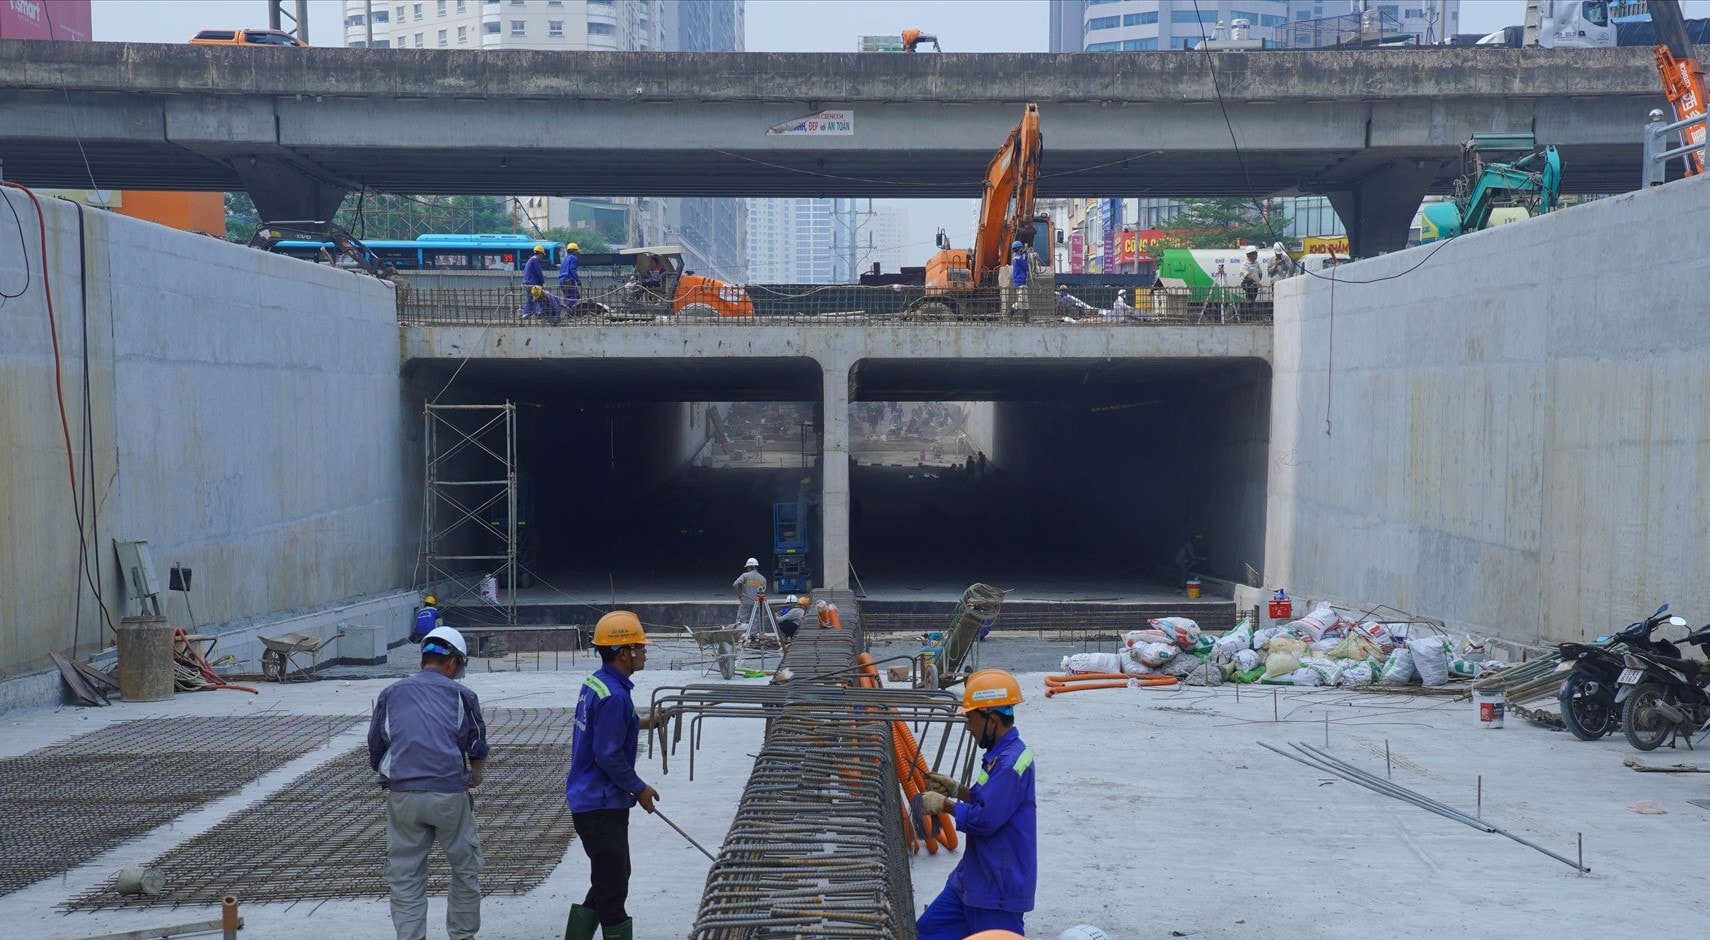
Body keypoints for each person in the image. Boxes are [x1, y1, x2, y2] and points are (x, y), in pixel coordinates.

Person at [367, 626, 488, 940]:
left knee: (405, 875)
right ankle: (462, 935)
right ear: (451, 664)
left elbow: (376, 745)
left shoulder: (391, 693)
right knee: (465, 868)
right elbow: (476, 743)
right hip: (448, 795)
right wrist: (475, 773)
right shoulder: (462, 695)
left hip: (403, 796)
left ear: (424, 660)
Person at [915, 669, 1036, 939]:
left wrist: (944, 804)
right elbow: (988, 799)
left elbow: (985, 819)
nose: (968, 726)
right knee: (926, 932)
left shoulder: (1010, 764)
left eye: (971, 718)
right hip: (972, 879)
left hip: (997, 889)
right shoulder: (998, 755)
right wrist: (959, 790)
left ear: (991, 720)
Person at [564, 611, 661, 940]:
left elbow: (607, 727)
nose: (644, 652)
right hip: (600, 804)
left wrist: (648, 721)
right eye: (641, 647)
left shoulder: (598, 683)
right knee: (614, 886)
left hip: (588, 798)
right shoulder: (615, 697)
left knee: (606, 880)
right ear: (625, 652)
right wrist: (640, 788)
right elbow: (608, 754)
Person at [522, 244, 556, 318]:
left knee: (530, 299)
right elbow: (538, 272)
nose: (542, 257)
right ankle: (539, 313)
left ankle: (526, 313)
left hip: (526, 282)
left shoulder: (531, 259)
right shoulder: (535, 260)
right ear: (540, 253)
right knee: (539, 298)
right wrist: (542, 282)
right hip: (532, 284)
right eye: (542, 255)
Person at [732, 558, 767, 628]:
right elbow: (763, 592)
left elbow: (735, 584)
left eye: (747, 567)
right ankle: (753, 635)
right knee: (755, 620)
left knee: (740, 621)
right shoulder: (763, 578)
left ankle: (740, 634)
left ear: (750, 567)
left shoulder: (745, 575)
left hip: (746, 601)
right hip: (757, 603)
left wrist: (740, 595)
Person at [1238, 245, 1263, 318]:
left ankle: (1251, 315)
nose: (1256, 255)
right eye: (1254, 254)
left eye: (1256, 253)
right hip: (1248, 284)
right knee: (1249, 300)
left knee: (1253, 300)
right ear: (1249, 255)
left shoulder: (1256, 263)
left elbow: (1259, 272)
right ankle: (1246, 316)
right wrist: (1256, 281)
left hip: (1255, 285)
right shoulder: (1245, 265)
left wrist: (1258, 280)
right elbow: (1247, 275)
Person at [558, 241, 582, 312]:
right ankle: (566, 307)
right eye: (576, 251)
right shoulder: (573, 258)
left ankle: (564, 313)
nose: (577, 253)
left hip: (562, 280)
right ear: (573, 251)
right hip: (568, 280)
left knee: (568, 296)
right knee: (575, 295)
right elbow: (572, 270)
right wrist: (578, 280)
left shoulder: (565, 259)